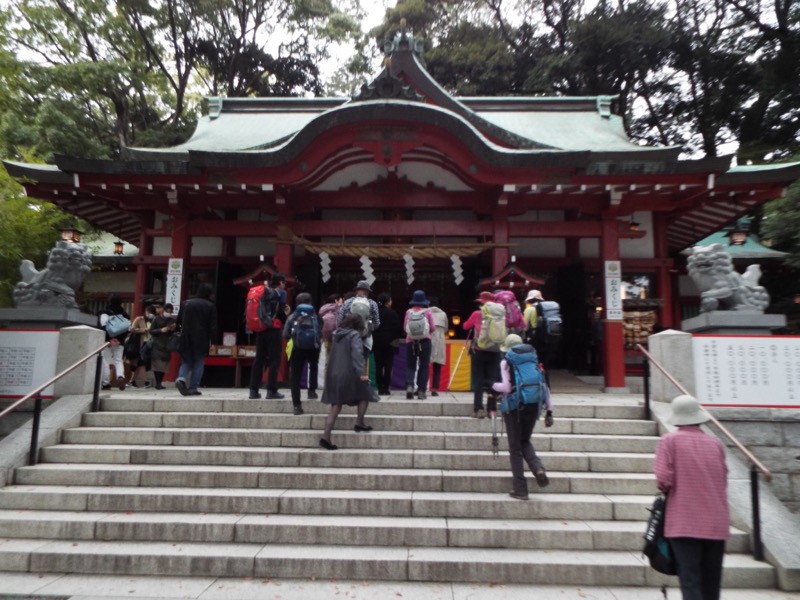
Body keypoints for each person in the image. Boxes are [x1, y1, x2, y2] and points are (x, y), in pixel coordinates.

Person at [654, 394, 729, 600]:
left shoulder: (669, 441)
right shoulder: (715, 444)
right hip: (716, 522)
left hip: (684, 521)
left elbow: (663, 480)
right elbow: (723, 479)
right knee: (711, 582)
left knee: (690, 579)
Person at [492, 333, 553, 500]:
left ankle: (520, 489)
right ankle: (538, 468)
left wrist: (492, 385)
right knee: (524, 440)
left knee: (515, 448)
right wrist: (549, 411)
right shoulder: (534, 360)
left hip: (515, 408)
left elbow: (506, 387)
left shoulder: (506, 362)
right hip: (533, 406)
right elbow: (545, 387)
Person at [319, 313, 379, 450]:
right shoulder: (354, 335)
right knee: (365, 393)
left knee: (336, 405)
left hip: (334, 373)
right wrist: (362, 373)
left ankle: (326, 436)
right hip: (349, 373)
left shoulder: (336, 334)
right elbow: (357, 355)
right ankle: (359, 422)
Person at [248, 273, 288, 400]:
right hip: (274, 329)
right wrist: (286, 313)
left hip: (261, 328)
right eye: (284, 282)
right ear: (280, 282)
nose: (284, 285)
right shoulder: (281, 293)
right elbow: (281, 314)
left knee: (259, 359)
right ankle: (271, 390)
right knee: (274, 360)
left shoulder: (263, 293)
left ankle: (253, 390)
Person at [463, 291, 501, 418]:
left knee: (478, 380)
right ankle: (492, 409)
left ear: (482, 302)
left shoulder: (477, 314)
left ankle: (478, 408)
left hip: (479, 350)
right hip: (495, 350)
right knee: (492, 380)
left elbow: (465, 326)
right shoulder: (499, 315)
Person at [175, 283, 217, 396]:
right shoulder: (210, 306)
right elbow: (213, 326)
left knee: (186, 361)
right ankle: (193, 387)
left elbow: (178, 321)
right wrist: (213, 342)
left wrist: (176, 333)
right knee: (199, 362)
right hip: (201, 338)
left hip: (185, 336)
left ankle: (181, 378)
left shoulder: (186, 303)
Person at [283, 292, 321, 415]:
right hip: (313, 348)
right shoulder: (315, 316)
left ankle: (297, 406)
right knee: (313, 367)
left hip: (297, 348)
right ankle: (312, 391)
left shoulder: (293, 317)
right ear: (310, 302)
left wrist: (294, 338)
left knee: (295, 376)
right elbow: (320, 332)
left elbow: (285, 334)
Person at [403, 290, 435, 400]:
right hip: (425, 342)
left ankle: (410, 386)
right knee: (424, 365)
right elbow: (432, 328)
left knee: (410, 366)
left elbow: (405, 328)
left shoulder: (409, 312)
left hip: (410, 341)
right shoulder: (428, 312)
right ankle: (421, 391)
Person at [337, 280, 380, 360]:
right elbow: (377, 323)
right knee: (361, 365)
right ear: (368, 292)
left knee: (349, 364)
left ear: (356, 290)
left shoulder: (347, 302)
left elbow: (339, 321)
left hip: (349, 340)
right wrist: (368, 329)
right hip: (365, 341)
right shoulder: (373, 304)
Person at [372, 292, 403, 396]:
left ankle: (379, 387)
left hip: (377, 342)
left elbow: (371, 327)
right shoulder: (393, 313)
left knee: (378, 365)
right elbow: (398, 328)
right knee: (388, 365)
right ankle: (386, 387)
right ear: (388, 301)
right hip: (390, 343)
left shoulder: (375, 313)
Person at [99, 293, 130, 391]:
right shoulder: (125, 315)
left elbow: (103, 327)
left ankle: (106, 383)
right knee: (118, 360)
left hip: (107, 341)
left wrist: (109, 339)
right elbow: (128, 328)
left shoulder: (105, 313)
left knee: (106, 361)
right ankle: (120, 376)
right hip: (120, 342)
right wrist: (119, 340)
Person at [127, 303, 157, 388]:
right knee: (140, 362)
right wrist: (144, 330)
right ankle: (144, 381)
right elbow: (132, 329)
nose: (150, 314)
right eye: (148, 312)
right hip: (140, 343)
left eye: (151, 312)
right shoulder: (139, 319)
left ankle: (132, 381)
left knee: (142, 363)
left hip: (149, 343)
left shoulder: (154, 320)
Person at [149, 303, 176, 390]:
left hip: (167, 344)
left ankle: (160, 382)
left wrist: (172, 329)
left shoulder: (171, 320)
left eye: (170, 311)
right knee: (157, 364)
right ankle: (158, 383)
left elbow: (173, 333)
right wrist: (160, 330)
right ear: (163, 310)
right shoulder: (156, 319)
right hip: (157, 343)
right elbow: (151, 331)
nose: (168, 313)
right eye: (167, 311)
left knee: (164, 364)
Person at [318, 293, 343, 377]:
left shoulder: (323, 309)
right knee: (338, 362)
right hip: (337, 338)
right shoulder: (339, 309)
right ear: (336, 301)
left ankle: (326, 381)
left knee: (328, 361)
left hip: (326, 338)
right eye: (341, 299)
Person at [428, 296, 448, 396]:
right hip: (440, 340)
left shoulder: (426, 312)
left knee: (424, 365)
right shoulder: (443, 314)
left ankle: (422, 387)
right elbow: (446, 329)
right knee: (437, 367)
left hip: (428, 339)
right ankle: (435, 389)